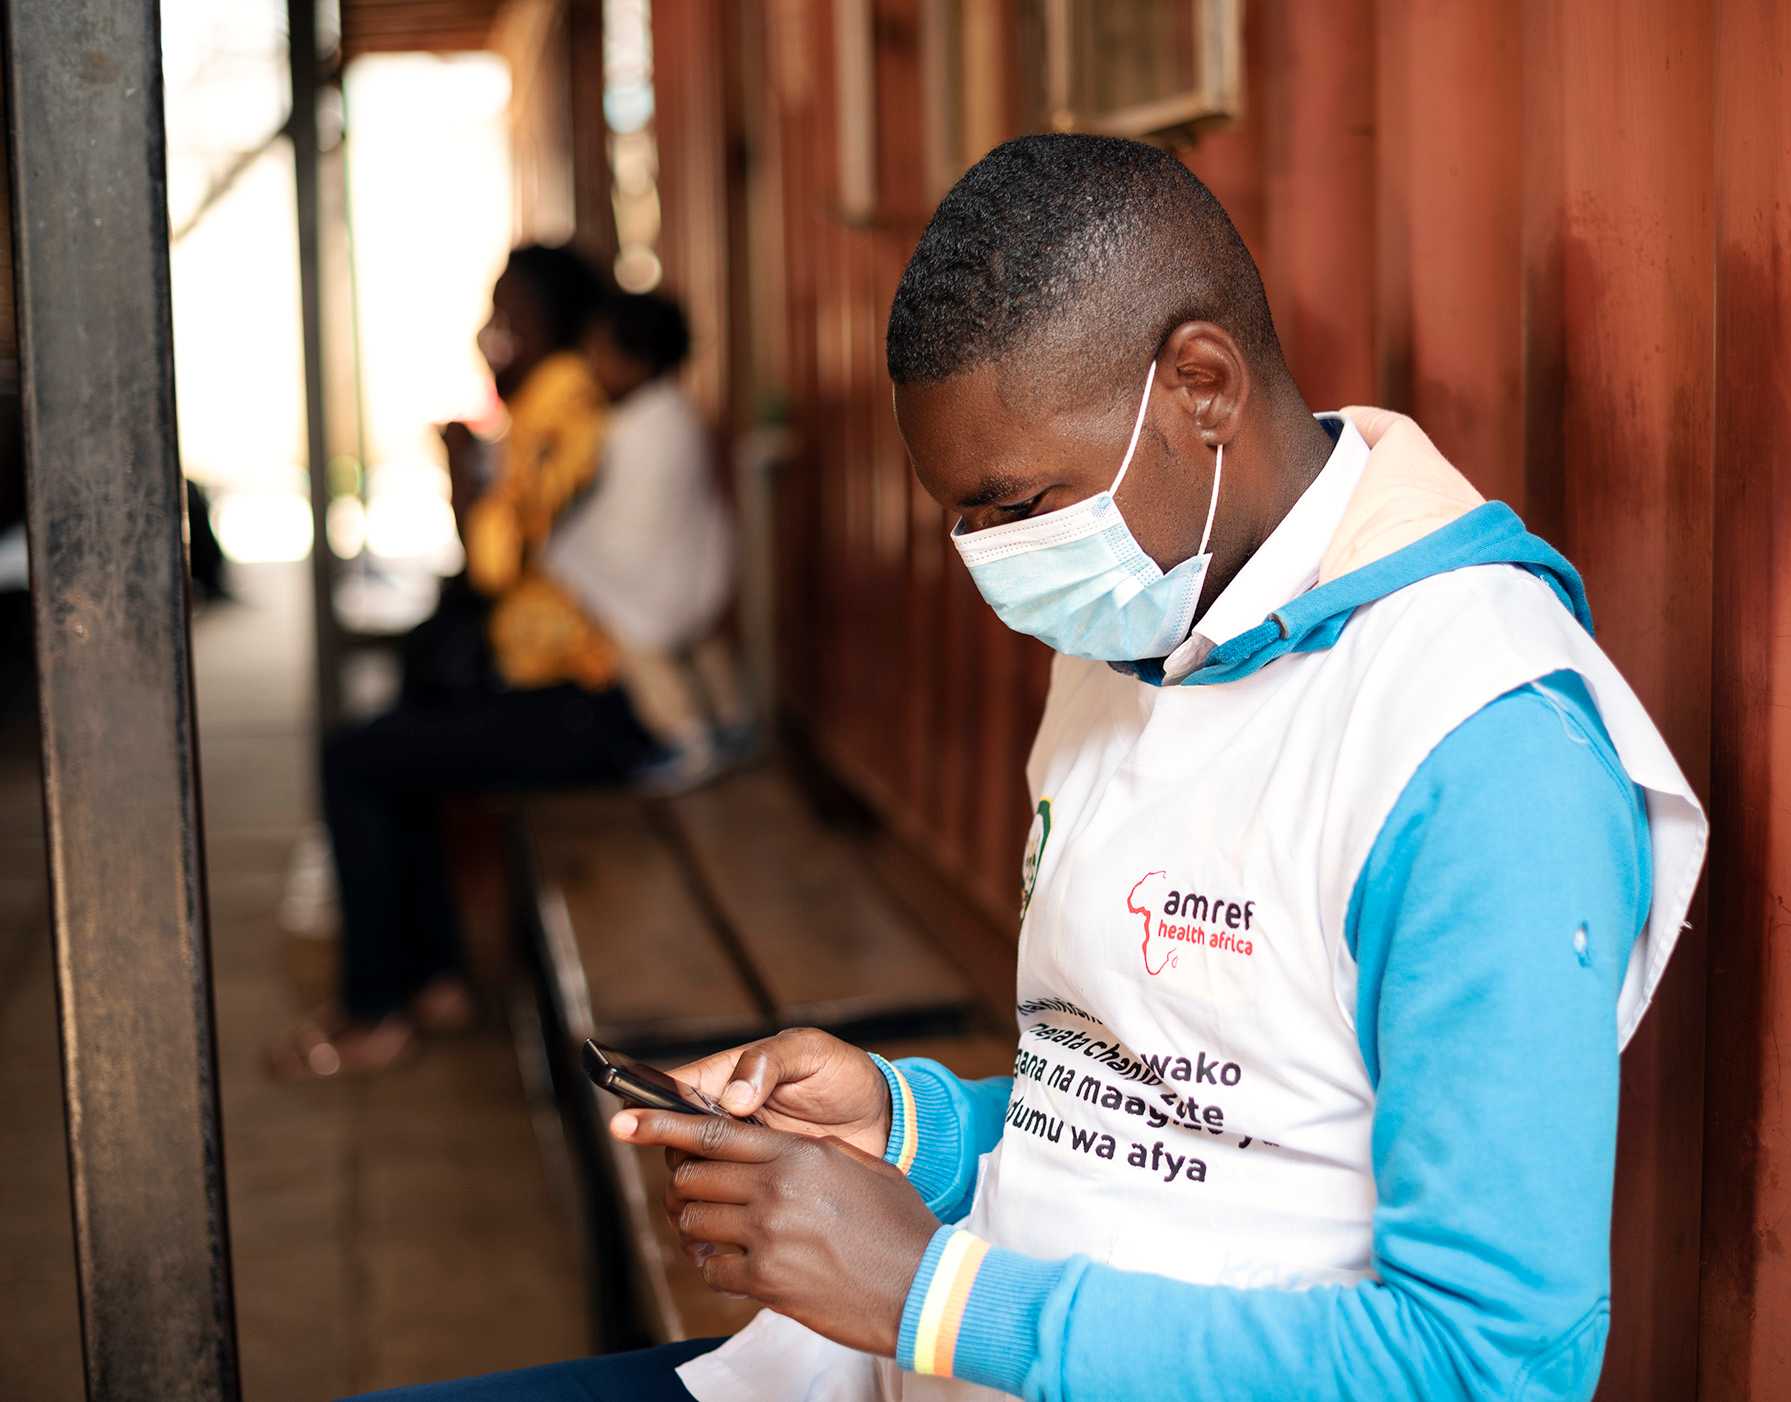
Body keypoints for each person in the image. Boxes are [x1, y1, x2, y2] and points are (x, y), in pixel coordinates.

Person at [357, 135, 1706, 1400]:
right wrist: (905, 1121)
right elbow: (1168, 1116)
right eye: (961, 514)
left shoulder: (1479, 747)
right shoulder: (1145, 611)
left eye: (1019, 507)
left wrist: (932, 1294)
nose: (992, 558)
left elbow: (1485, 1362)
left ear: (1202, 386)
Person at [275, 245, 668, 1080]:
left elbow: (496, 559)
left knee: (357, 760)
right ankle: (434, 982)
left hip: (587, 704)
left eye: (509, 317)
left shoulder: (561, 397)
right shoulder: (552, 398)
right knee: (395, 740)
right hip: (564, 691)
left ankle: (383, 1005)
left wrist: (461, 472)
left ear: (551, 324)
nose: (491, 336)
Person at [547, 290, 754, 790]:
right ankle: (735, 724)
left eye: (600, 353)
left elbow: (632, 514)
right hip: (696, 563)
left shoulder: (636, 425)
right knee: (703, 644)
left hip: (655, 571)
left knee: (642, 642)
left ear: (635, 360)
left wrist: (574, 538)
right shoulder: (677, 412)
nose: (591, 365)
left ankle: (687, 738)